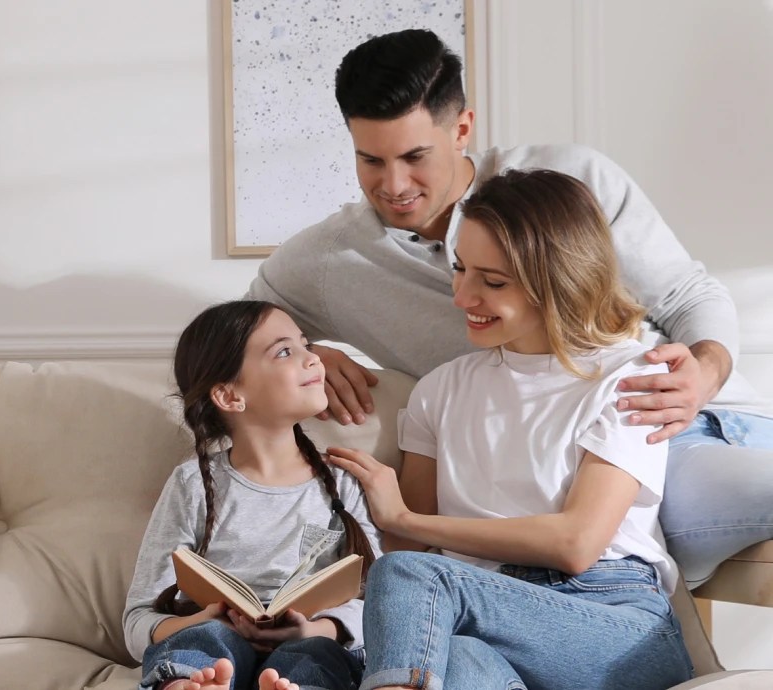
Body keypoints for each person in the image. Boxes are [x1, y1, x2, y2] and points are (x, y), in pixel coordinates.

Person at [246, 28, 773, 587]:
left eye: (415, 156)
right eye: (370, 159)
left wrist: (704, 374)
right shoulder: (329, 262)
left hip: (670, 421)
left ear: (462, 129)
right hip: (575, 469)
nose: (394, 184)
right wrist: (303, 351)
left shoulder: (571, 178)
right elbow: (229, 338)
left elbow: (689, 295)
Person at [325, 168, 694, 689]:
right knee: (459, 659)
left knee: (410, 579)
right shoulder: (439, 390)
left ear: (558, 280)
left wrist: (406, 518)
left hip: (613, 622)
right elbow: (409, 548)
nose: (462, 297)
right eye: (460, 269)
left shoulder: (632, 377)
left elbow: (577, 542)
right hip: (485, 621)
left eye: (493, 282)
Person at [123, 300, 382, 690]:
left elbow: (379, 607)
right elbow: (139, 620)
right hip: (216, 644)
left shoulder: (344, 482)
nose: (313, 359)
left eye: (305, 344)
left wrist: (315, 629)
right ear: (230, 396)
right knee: (205, 639)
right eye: (284, 352)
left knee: (314, 654)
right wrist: (204, 619)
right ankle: (189, 684)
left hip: (310, 642)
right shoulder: (193, 484)